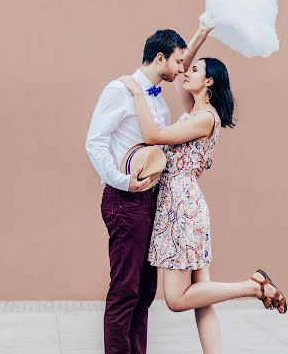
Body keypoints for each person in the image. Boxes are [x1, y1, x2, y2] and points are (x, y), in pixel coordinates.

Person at [119, 55, 287, 354]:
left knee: (177, 299)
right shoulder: (193, 111)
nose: (186, 72)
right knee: (202, 296)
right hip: (182, 203)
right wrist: (202, 29)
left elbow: (153, 135)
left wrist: (137, 93)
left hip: (181, 206)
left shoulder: (205, 118)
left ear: (208, 82)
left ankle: (252, 286)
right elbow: (183, 70)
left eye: (195, 70)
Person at [85, 25, 212, 354]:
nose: (181, 68)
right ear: (160, 58)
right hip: (125, 200)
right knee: (124, 290)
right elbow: (95, 143)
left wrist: (202, 31)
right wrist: (122, 180)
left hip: (151, 202)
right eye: (178, 61)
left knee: (144, 292)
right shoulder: (118, 90)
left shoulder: (159, 103)